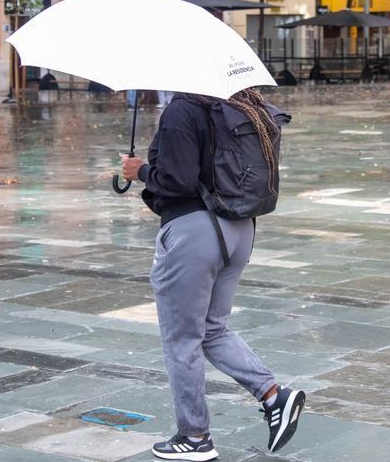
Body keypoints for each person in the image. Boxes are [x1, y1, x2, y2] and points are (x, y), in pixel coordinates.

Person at [120, 89, 304, 461]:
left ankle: (194, 437)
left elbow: (177, 181)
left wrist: (138, 170)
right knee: (212, 329)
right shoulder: (240, 105)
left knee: (182, 338)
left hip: (194, 232)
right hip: (239, 229)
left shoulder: (183, 110)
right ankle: (274, 395)